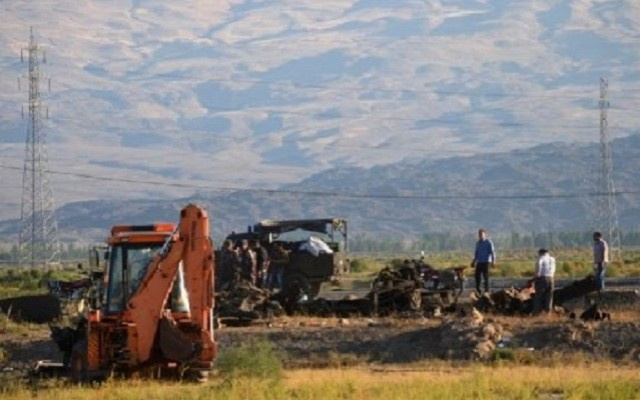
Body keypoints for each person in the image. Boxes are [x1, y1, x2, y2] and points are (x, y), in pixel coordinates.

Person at [471, 228, 495, 295]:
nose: (480, 236)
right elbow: (476, 253)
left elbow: (492, 252)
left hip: (486, 262)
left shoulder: (488, 242)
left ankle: (486, 291)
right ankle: (478, 290)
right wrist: (473, 261)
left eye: (481, 234)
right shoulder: (478, 243)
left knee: (486, 277)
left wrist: (493, 261)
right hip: (480, 262)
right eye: (479, 234)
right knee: (477, 276)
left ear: (485, 234)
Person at [533, 248, 556, 314]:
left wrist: (536, 277)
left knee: (539, 297)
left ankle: (537, 313)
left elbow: (538, 267)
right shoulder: (552, 259)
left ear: (541, 253)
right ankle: (548, 313)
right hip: (551, 278)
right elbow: (554, 269)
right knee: (549, 297)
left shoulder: (541, 258)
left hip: (542, 278)